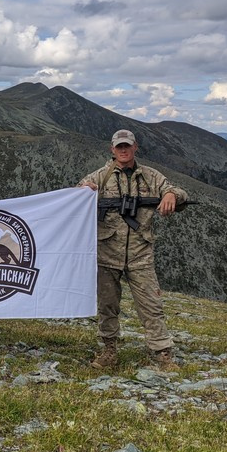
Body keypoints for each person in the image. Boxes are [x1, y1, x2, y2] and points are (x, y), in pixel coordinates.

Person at [77, 129, 188, 371]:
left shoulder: (151, 176)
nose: (123, 150)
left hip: (140, 255)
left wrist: (170, 195)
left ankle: (162, 353)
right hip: (106, 254)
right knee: (107, 306)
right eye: (119, 147)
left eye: (127, 146)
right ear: (112, 149)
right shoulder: (99, 177)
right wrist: (84, 190)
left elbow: (180, 192)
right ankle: (109, 350)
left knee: (151, 305)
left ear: (135, 147)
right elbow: (76, 196)